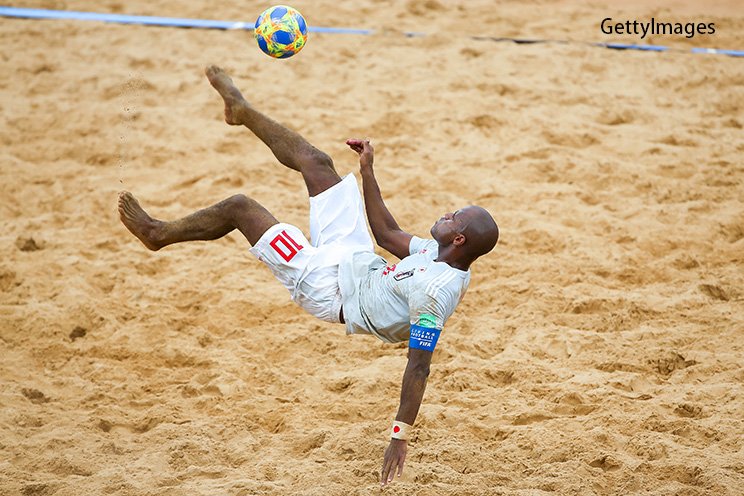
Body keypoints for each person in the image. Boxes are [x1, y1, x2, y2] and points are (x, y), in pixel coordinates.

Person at [118, 66, 499, 487]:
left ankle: (157, 234)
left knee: (242, 207)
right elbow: (387, 234)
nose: (446, 213)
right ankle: (241, 111)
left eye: (453, 216)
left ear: (460, 239)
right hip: (357, 261)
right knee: (318, 163)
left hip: (329, 288)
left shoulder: (436, 291)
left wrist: (399, 436)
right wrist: (368, 170)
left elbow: (419, 367)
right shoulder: (438, 252)